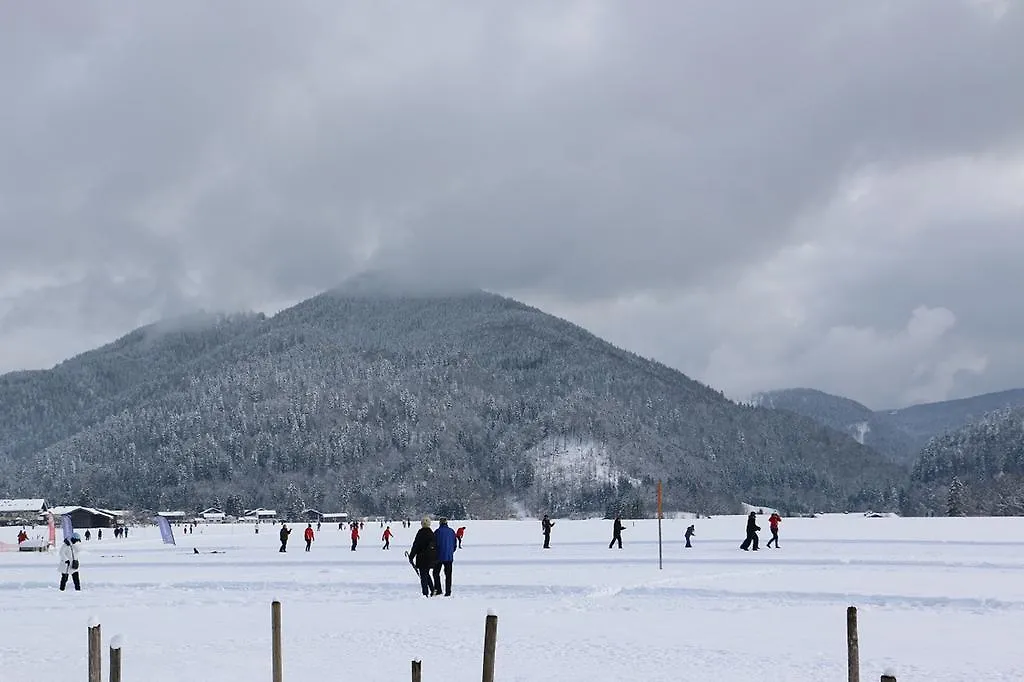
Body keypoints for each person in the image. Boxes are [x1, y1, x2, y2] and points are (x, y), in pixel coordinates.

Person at [408, 517, 438, 597]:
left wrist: (411, 557)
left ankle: (425, 593)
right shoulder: (431, 533)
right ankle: (432, 589)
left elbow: (415, 546)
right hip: (430, 558)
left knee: (423, 576)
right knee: (426, 574)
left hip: (421, 558)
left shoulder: (420, 533)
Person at [432, 517, 458, 597]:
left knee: (436, 573)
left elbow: (433, 544)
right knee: (448, 575)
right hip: (449, 557)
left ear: (440, 523)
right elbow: (454, 545)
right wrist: (450, 552)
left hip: (438, 556)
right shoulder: (452, 531)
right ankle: (448, 591)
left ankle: (438, 589)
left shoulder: (437, 532)